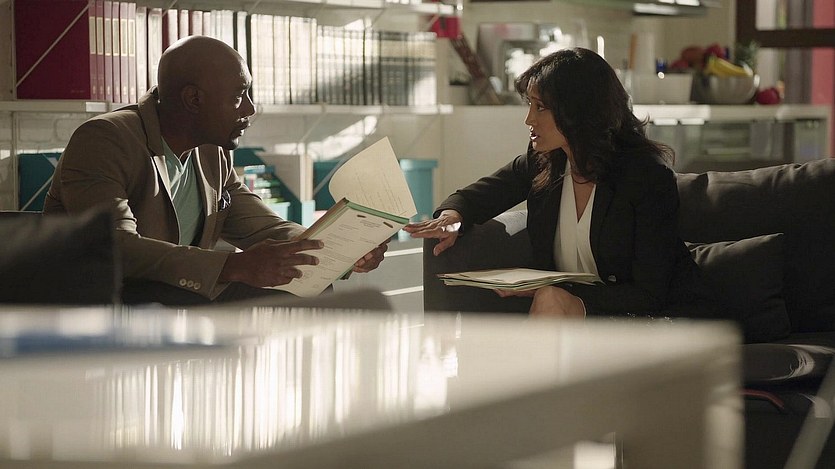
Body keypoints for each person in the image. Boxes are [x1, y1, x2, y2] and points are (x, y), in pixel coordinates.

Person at [43, 35, 386, 305]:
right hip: (110, 301)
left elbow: (264, 226)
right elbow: (116, 247)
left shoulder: (211, 152)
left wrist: (341, 248)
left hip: (174, 296)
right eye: (239, 96)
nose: (250, 109)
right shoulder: (104, 139)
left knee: (307, 288)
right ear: (193, 99)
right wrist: (234, 266)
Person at [405, 47, 715, 320]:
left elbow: (650, 294)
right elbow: (482, 194)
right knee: (549, 301)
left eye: (540, 107)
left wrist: (560, 292)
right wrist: (452, 218)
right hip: (576, 317)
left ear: (578, 111)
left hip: (652, 319)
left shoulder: (646, 177)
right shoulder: (547, 160)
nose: (529, 119)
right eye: (530, 104)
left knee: (551, 300)